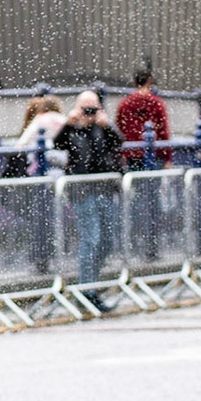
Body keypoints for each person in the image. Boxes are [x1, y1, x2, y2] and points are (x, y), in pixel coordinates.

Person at [53, 91, 125, 302]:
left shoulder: (102, 129)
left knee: (107, 241)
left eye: (93, 108)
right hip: (82, 191)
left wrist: (107, 125)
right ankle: (87, 291)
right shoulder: (72, 129)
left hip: (104, 188)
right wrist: (69, 124)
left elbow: (118, 143)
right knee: (91, 239)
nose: (89, 112)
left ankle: (91, 283)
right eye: (85, 108)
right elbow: (57, 144)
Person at [115, 69, 172, 171]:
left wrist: (121, 153)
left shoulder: (125, 104)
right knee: (153, 179)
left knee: (134, 179)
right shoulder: (156, 104)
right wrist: (168, 157)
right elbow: (163, 130)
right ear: (149, 81)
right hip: (155, 152)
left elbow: (119, 130)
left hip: (132, 152)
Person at [12, 94, 67, 177]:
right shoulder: (63, 119)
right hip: (61, 159)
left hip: (42, 160)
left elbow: (21, 143)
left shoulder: (40, 118)